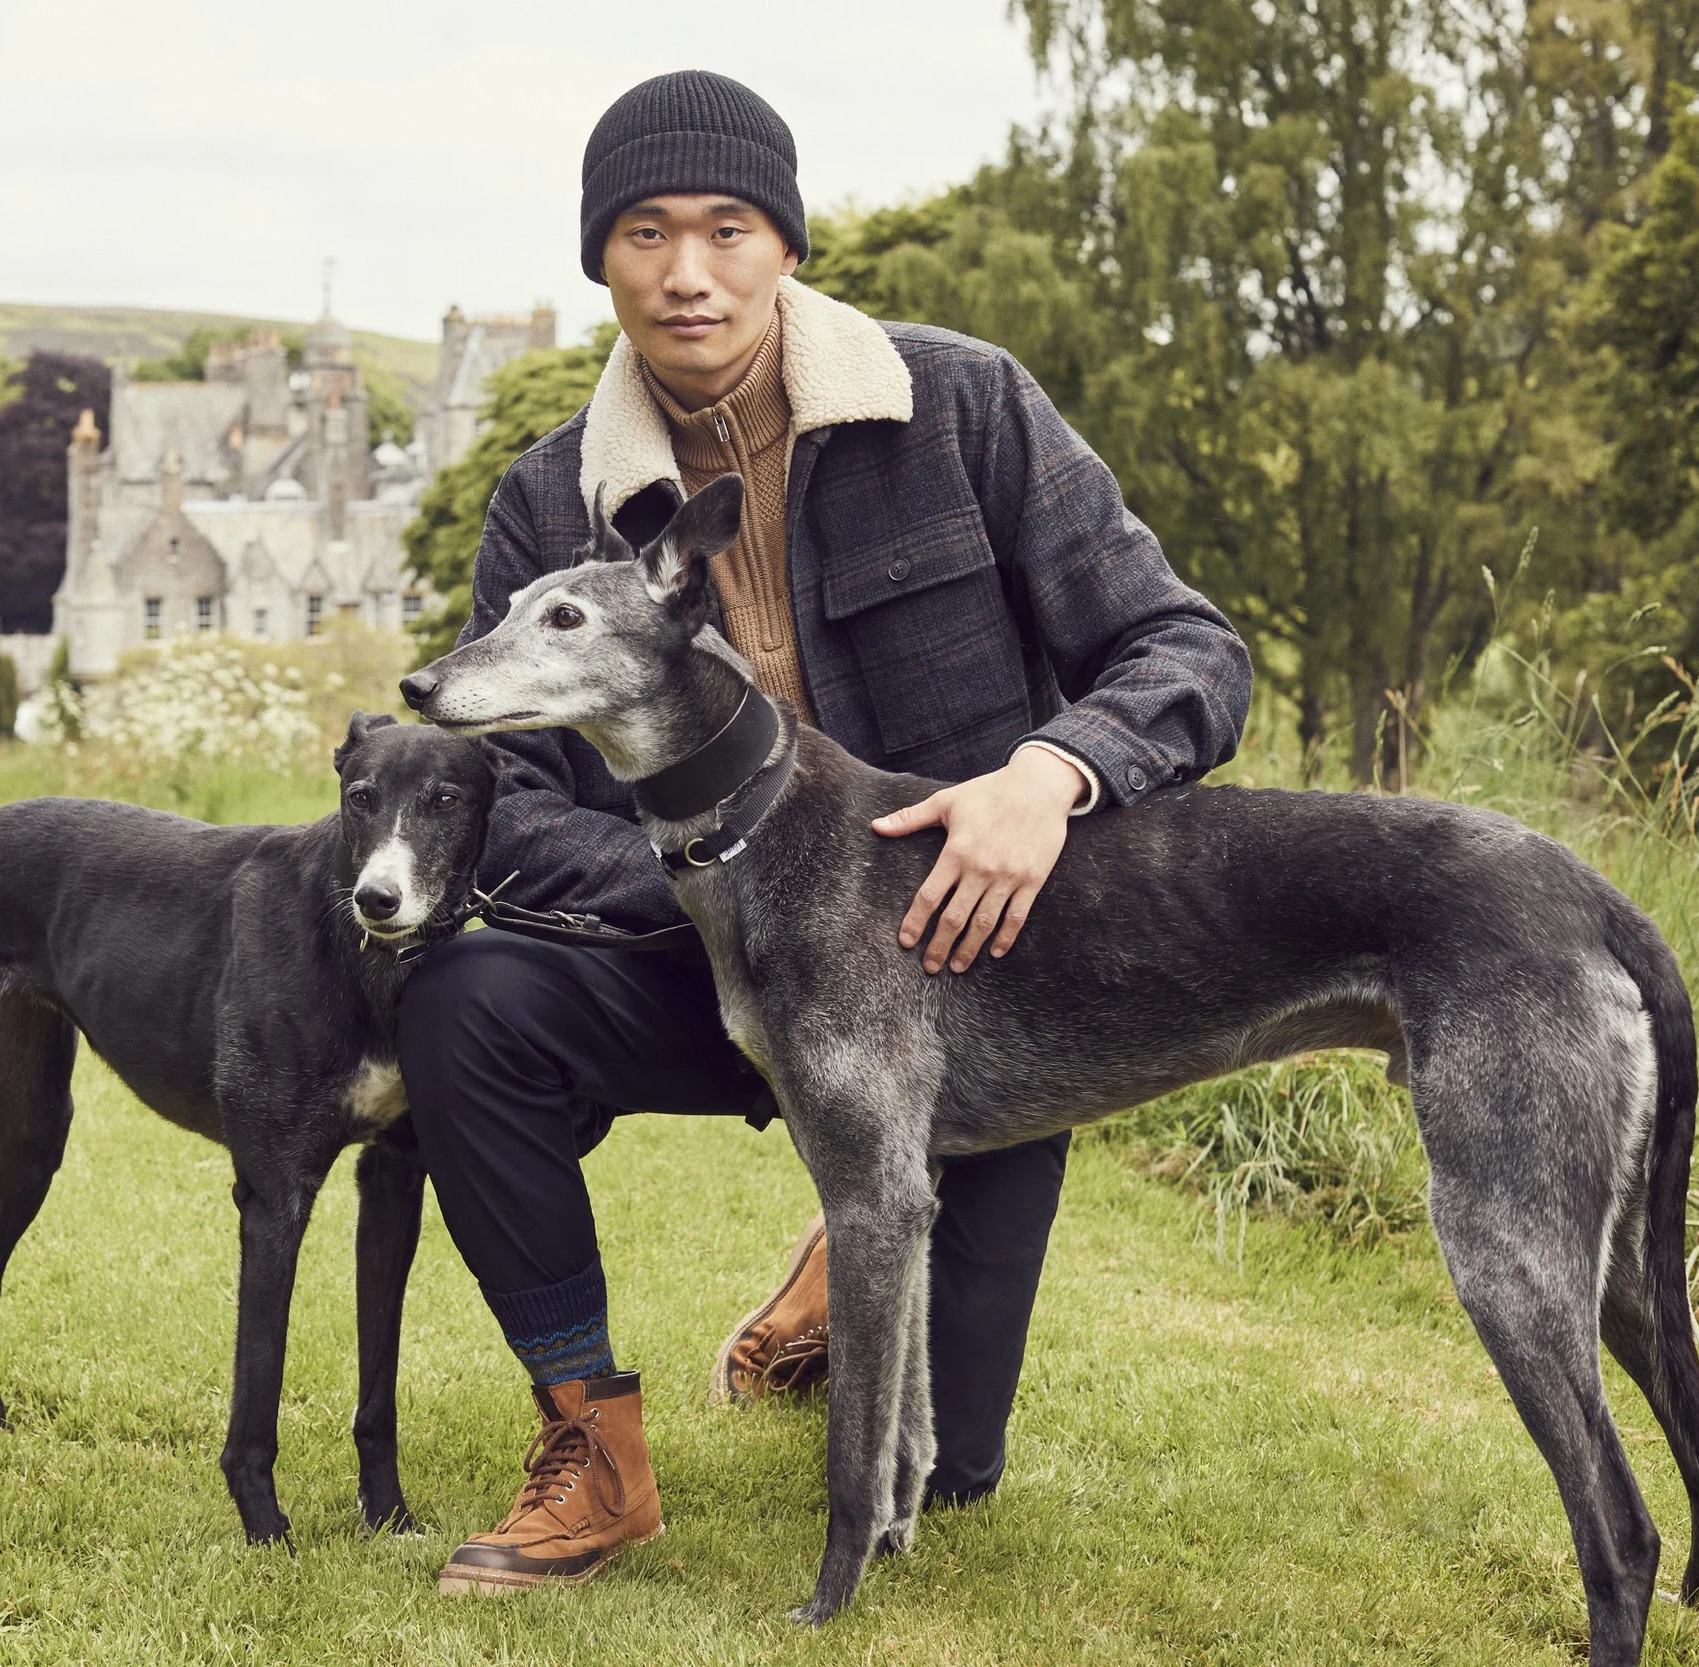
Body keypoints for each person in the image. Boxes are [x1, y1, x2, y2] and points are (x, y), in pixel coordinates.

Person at [398, 69, 1253, 1596]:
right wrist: (726, 886)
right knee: (463, 1001)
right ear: (602, 260)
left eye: (728, 228)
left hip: (947, 976)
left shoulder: (965, 405)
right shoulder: (547, 502)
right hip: (688, 954)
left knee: (955, 1470)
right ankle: (590, 1443)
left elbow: (1188, 653)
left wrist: (1052, 772)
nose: (689, 271)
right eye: (645, 233)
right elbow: (505, 816)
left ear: (787, 244)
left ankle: (842, 1235)